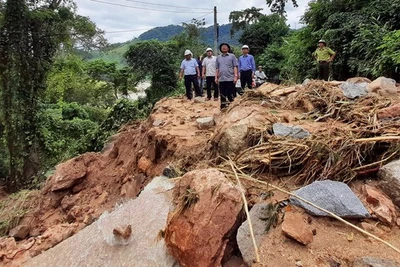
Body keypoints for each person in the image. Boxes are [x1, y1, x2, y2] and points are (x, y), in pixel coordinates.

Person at [215, 43, 238, 109]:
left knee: (231, 94)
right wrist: (216, 77)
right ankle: (223, 107)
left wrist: (235, 76)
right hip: (221, 79)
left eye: (225, 46)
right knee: (222, 94)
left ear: (228, 48)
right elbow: (217, 68)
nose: (224, 47)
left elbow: (235, 67)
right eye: (222, 47)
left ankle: (232, 107)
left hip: (230, 78)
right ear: (220, 49)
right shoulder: (218, 58)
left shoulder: (232, 56)